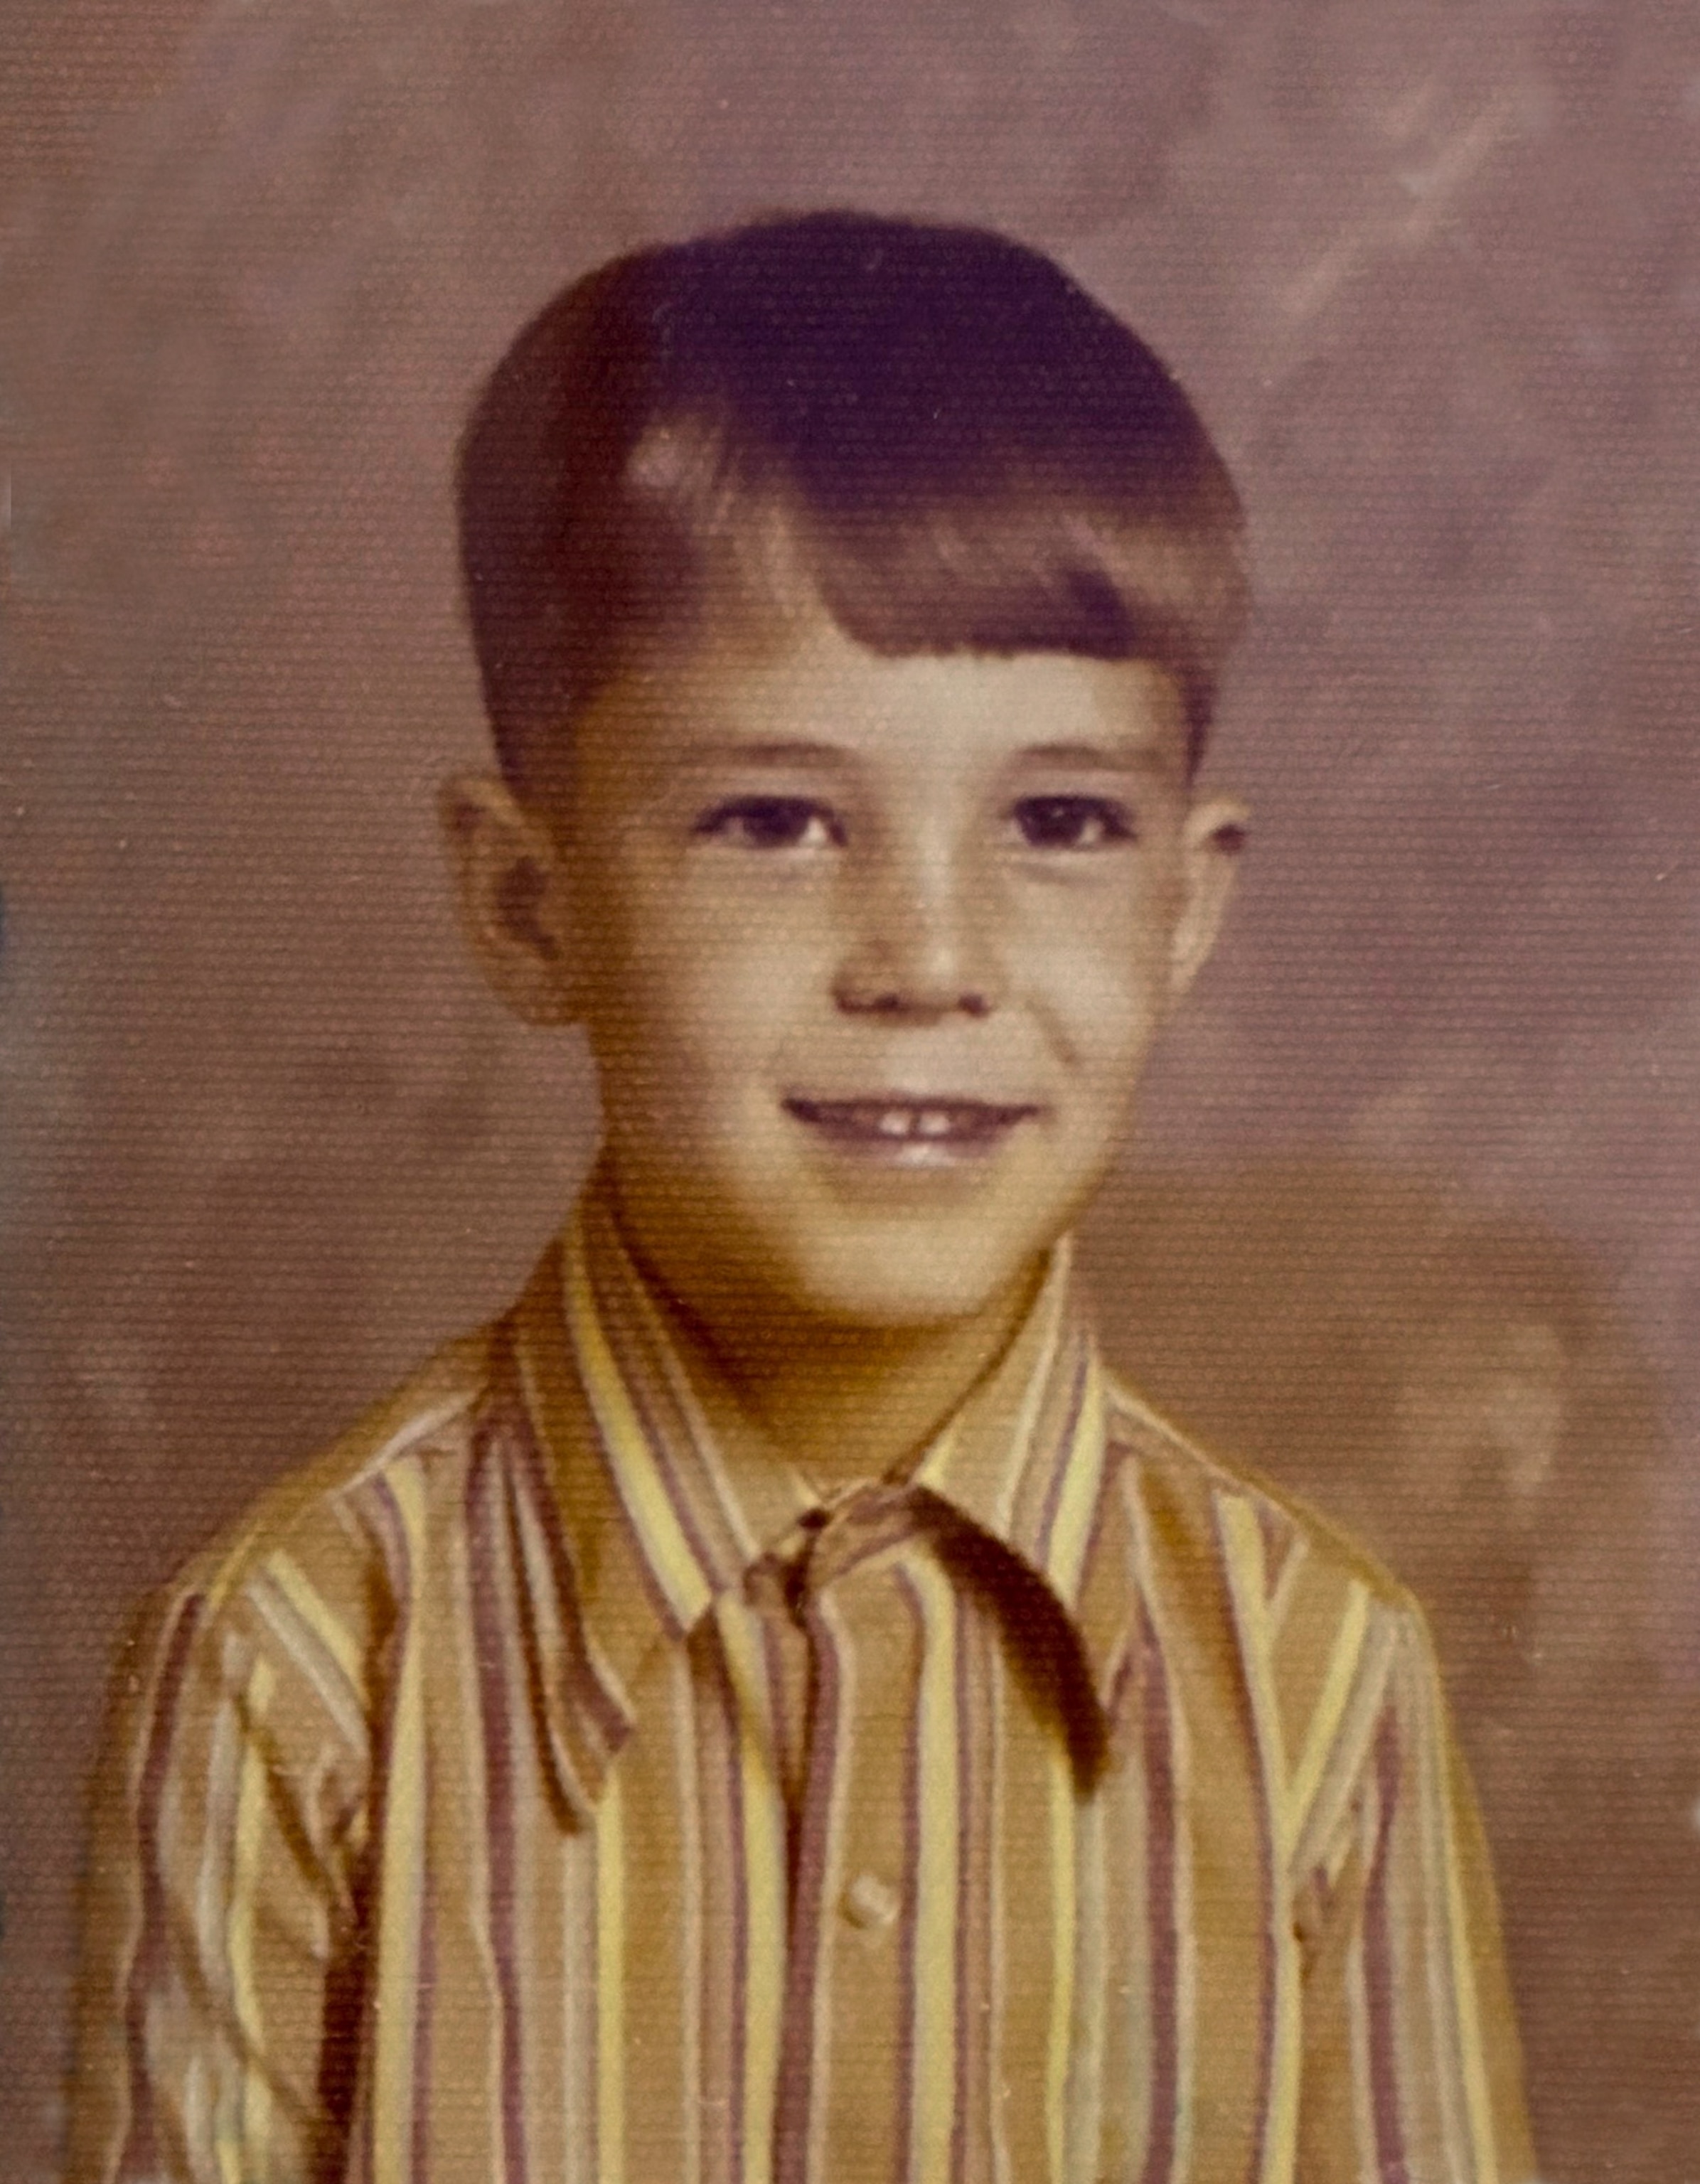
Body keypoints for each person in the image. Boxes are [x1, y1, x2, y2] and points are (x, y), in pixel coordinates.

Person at [66, 211, 1536, 2184]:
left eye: (1061, 824)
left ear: (1186, 909)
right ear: (535, 904)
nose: (929, 958)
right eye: (773, 820)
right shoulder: (297, 1670)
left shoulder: (1320, 1682)